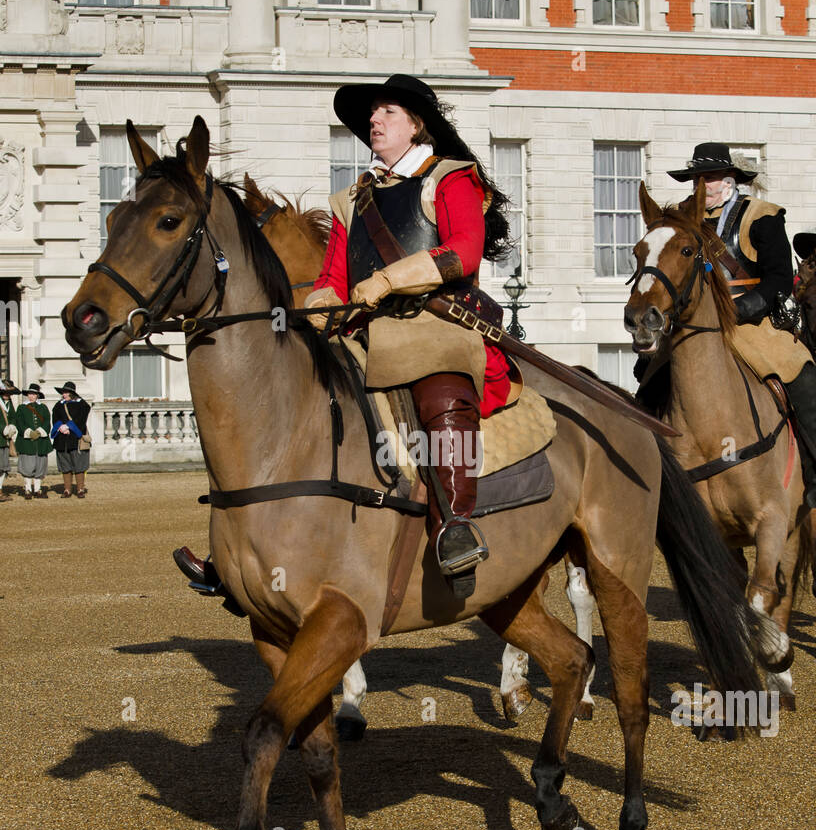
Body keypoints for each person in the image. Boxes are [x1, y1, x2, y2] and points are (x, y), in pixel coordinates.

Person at [175, 74, 515, 602]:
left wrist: (386, 280)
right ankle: (239, 549)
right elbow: (333, 279)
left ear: (416, 125)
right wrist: (316, 308)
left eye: (388, 114)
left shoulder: (451, 178)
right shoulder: (352, 198)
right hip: (365, 329)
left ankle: (456, 525)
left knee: (440, 387)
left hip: (437, 322)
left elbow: (462, 253)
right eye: (373, 116)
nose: (374, 122)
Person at [666, 142, 816, 520]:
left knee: (802, 371)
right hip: (693, 323)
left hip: (749, 321)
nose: (702, 185)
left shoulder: (762, 215)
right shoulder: (682, 217)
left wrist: (742, 308)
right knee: (649, 378)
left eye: (710, 177)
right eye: (697, 178)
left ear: (730, 179)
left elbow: (778, 279)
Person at [50, 381, 91, 498]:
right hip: (61, 439)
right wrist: (61, 427)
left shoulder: (82, 404)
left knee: (79, 465)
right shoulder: (58, 405)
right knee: (65, 465)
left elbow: (81, 419)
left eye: (67, 392)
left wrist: (69, 426)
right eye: (63, 392)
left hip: (76, 438)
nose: (64, 394)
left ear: (72, 393)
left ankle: (80, 489)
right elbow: (55, 418)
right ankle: (67, 490)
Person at [14, 383, 52, 499]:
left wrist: (40, 432)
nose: (31, 396)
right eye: (30, 394)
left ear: (37, 395)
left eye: (34, 394)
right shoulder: (21, 408)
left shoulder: (43, 408)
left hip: (41, 441)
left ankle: (38, 489)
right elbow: (19, 422)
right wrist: (29, 432)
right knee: (27, 466)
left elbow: (47, 422)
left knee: (40, 466)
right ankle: (28, 490)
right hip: (26, 441)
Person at [0, 380, 20, 502]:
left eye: (9, 393)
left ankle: (0, 490)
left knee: (3, 467)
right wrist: (3, 428)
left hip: (5, 440)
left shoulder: (9, 403)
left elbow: (13, 417)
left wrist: (12, 426)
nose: (8, 395)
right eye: (5, 392)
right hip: (0, 436)